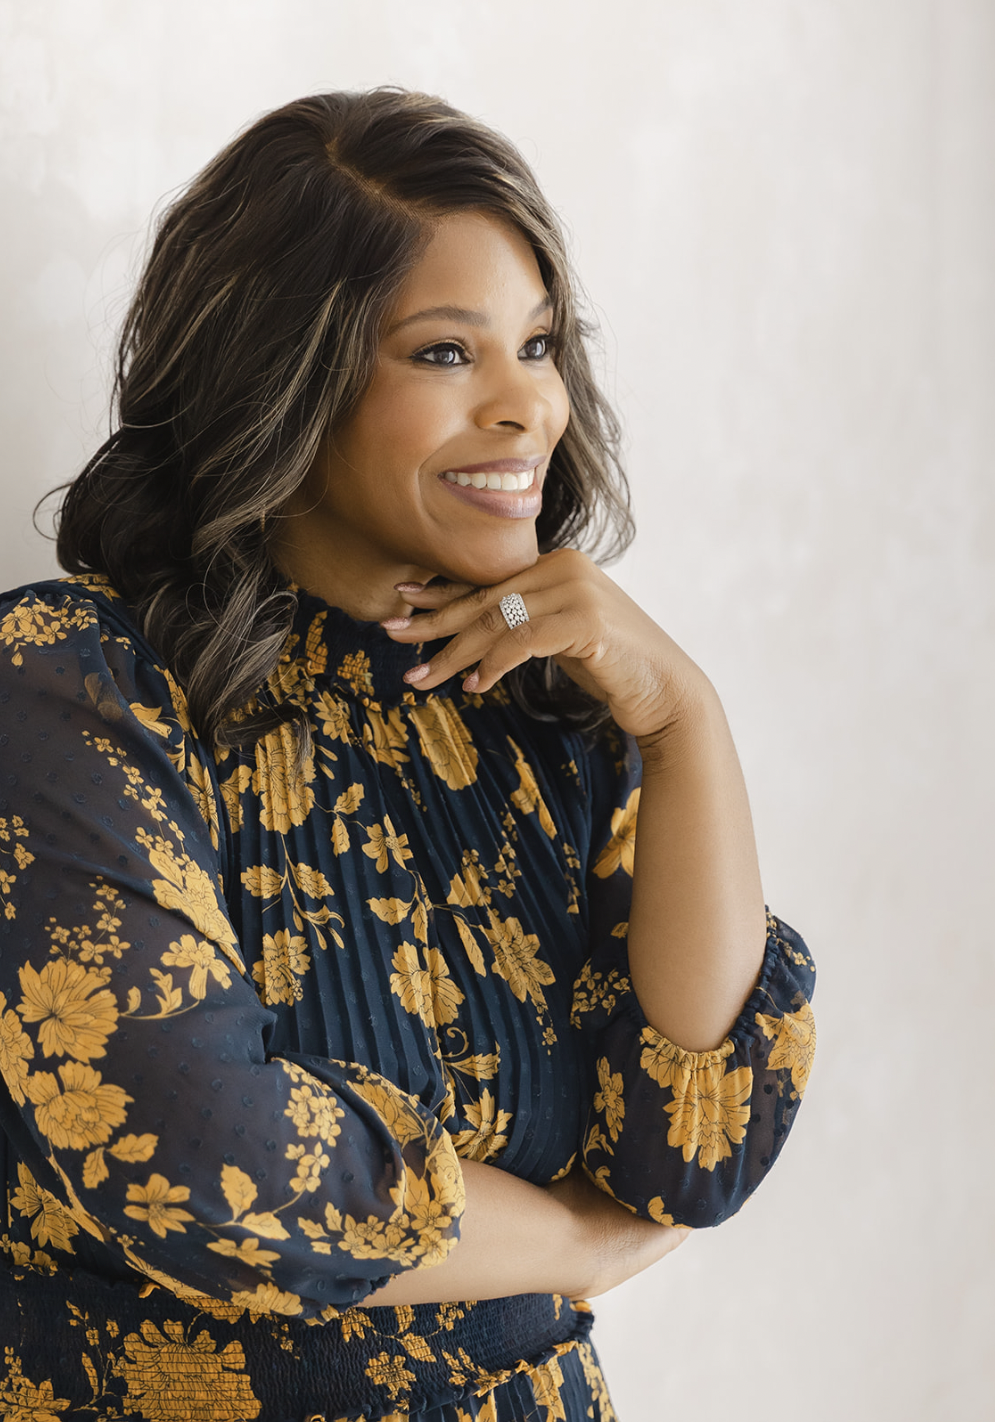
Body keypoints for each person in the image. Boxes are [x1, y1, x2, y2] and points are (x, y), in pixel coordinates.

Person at [0, 89, 816, 1421]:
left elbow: (693, 1148)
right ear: (286, 376)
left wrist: (685, 720)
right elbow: (204, 1171)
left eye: (539, 344)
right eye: (447, 353)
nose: (527, 405)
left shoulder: (557, 716)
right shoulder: (77, 687)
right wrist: (575, 1243)